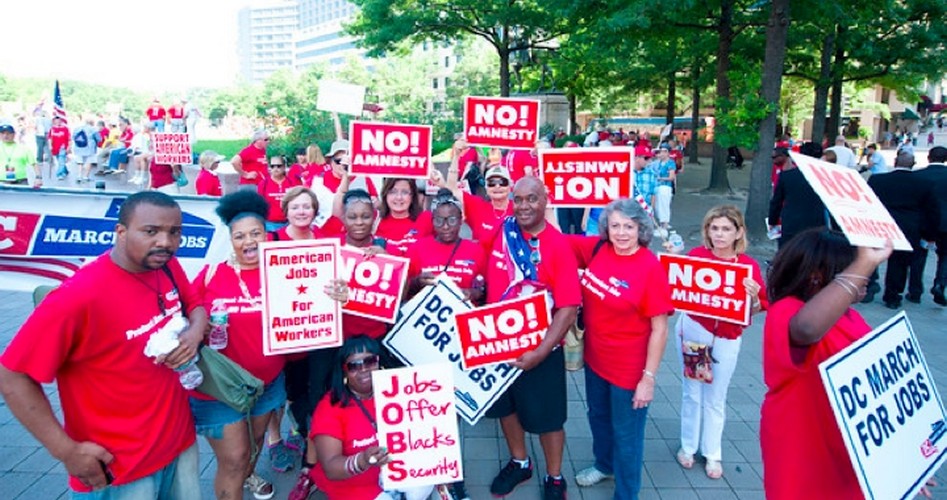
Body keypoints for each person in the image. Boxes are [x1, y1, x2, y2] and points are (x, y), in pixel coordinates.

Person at [0, 191, 206, 496]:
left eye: (174, 232)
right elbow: (12, 375)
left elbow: (196, 302)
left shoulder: (164, 265)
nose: (165, 241)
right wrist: (65, 451)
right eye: (151, 231)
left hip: (179, 445)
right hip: (121, 468)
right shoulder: (77, 297)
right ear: (120, 232)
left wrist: (195, 333)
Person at [192, 190, 348, 499]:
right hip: (220, 388)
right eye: (240, 236)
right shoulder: (211, 275)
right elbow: (189, 310)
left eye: (256, 233)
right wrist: (199, 325)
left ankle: (247, 476)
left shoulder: (286, 270)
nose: (249, 241)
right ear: (231, 239)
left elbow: (314, 312)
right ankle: (238, 480)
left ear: (268, 235)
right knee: (234, 459)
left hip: (268, 385)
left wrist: (337, 296)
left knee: (255, 441)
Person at [761, 229, 892, 499]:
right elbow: (807, 329)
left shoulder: (851, 317)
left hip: (847, 450)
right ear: (817, 277)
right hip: (805, 447)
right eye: (852, 267)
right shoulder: (787, 310)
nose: (866, 277)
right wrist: (865, 261)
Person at [289, 188, 392, 500]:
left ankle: (379, 456)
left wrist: (385, 264)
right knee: (322, 400)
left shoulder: (386, 249)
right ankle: (311, 468)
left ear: (374, 218)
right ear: (342, 220)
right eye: (352, 216)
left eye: (365, 216)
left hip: (372, 340)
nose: (359, 222)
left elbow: (400, 290)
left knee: (373, 400)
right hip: (332, 341)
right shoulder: (328, 251)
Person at [568, 199, 673, 499]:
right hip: (596, 360)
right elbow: (554, 238)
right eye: (615, 226)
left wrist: (648, 379)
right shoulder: (598, 250)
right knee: (598, 418)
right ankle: (604, 465)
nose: (622, 233)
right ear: (606, 228)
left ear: (641, 228)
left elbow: (660, 328)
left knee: (627, 435)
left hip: (629, 370)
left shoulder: (650, 267)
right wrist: (552, 198)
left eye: (629, 226)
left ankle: (626, 493)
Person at [484, 176, 581, 500]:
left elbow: (568, 308)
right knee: (506, 408)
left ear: (545, 201)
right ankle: (520, 462)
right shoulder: (504, 231)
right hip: (498, 344)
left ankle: (555, 477)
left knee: (549, 418)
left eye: (532, 199)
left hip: (541, 347)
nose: (524, 206)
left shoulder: (557, 245)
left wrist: (540, 352)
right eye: (519, 199)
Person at [674, 206, 766, 479]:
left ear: (739, 232)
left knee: (716, 397)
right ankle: (688, 446)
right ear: (707, 231)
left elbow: (758, 308)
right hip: (694, 332)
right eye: (715, 228)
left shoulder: (748, 266)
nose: (720, 234)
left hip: (727, 338)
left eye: (726, 228)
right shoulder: (696, 257)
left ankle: (712, 453)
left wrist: (754, 298)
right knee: (693, 391)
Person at [308, 336, 433, 500]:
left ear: (379, 362)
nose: (364, 369)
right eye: (354, 366)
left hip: (398, 469)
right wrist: (362, 460)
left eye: (370, 361)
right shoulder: (330, 407)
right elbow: (331, 468)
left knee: (425, 484)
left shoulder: (402, 390)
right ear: (343, 371)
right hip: (355, 484)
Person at [865, 151, 936, 308]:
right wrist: (928, 233)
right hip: (909, 226)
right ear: (913, 164)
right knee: (899, 263)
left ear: (896, 162)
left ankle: (868, 287)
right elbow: (929, 209)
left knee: (871, 257)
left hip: (881, 223)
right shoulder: (923, 183)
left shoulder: (878, 180)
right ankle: (892, 295)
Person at [406, 189, 486, 303]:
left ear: (461, 219)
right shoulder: (417, 248)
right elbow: (403, 290)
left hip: (462, 316)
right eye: (439, 221)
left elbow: (484, 289)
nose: (445, 227)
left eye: (452, 220)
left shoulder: (476, 250)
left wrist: (473, 293)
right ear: (432, 221)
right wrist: (417, 282)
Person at [444, 139, 513, 244]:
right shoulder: (477, 207)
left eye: (502, 182)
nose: (497, 186)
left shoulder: (520, 209)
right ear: (486, 187)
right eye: (492, 182)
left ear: (510, 186)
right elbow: (452, 189)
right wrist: (456, 156)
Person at [768, 142, 831, 248]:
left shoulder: (786, 176)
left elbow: (776, 202)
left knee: (788, 255)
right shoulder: (827, 177)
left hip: (792, 223)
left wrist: (772, 221)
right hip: (817, 223)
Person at [912, 146, 947, 305]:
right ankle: (940, 283)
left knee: (918, 256)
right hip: (945, 224)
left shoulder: (917, 176)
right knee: (945, 256)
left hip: (923, 222)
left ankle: (915, 291)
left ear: (929, 157)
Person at [374, 177, 433, 254]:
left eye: (405, 192)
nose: (399, 197)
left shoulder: (426, 219)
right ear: (385, 195)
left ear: (412, 196)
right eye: (393, 192)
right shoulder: (374, 220)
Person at [257, 154, 301, 232]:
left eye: (278, 166)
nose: (275, 168)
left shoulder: (292, 182)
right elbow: (259, 204)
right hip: (270, 224)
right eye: (272, 166)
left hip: (290, 223)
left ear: (284, 167)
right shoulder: (263, 184)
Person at [652, 145, 676, 235]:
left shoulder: (670, 163)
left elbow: (671, 177)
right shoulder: (657, 163)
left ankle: (664, 225)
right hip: (657, 187)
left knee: (664, 206)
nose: (660, 154)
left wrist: (660, 178)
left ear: (667, 152)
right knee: (657, 206)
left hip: (665, 187)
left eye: (662, 151)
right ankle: (661, 224)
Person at [48, 116, 70, 180]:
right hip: (55, 147)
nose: (57, 122)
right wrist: (50, 145)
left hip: (62, 147)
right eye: (56, 121)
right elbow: (49, 138)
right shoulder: (52, 129)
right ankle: (65, 171)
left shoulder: (65, 129)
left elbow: (69, 139)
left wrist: (69, 147)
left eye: (59, 120)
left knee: (61, 161)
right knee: (60, 161)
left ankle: (59, 174)